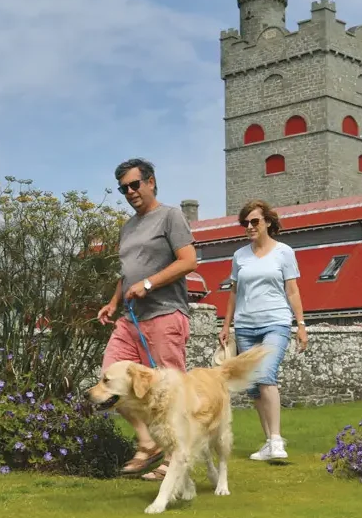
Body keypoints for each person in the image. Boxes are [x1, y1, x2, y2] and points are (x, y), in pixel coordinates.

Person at [98, 158, 197, 481]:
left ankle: (174, 459)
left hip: (165, 314)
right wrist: (113, 302)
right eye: (123, 188)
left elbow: (189, 261)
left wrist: (150, 283)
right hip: (130, 319)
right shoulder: (127, 227)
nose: (130, 192)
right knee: (110, 381)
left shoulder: (170, 216)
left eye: (134, 184)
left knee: (169, 393)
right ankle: (147, 442)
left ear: (151, 182)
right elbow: (126, 273)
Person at [218, 199, 308, 461]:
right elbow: (234, 293)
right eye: (245, 223)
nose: (249, 226)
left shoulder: (284, 252)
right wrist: (226, 325)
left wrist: (301, 325)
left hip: (276, 323)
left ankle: (277, 440)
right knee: (254, 388)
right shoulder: (239, 256)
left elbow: (293, 291)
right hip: (245, 326)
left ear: (268, 222)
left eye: (254, 221)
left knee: (266, 374)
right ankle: (269, 442)